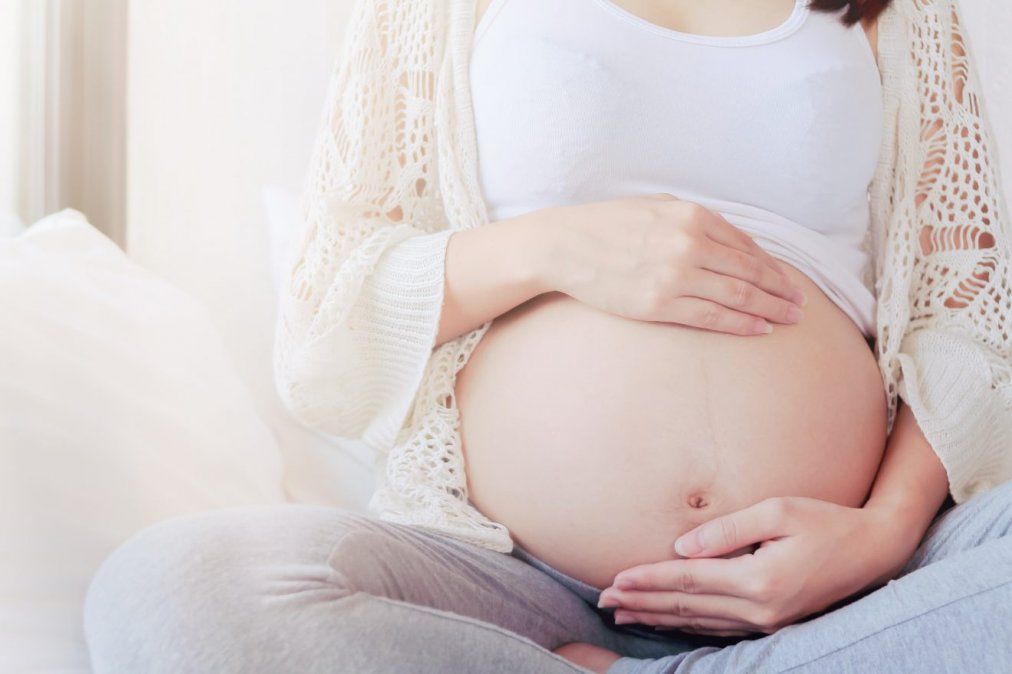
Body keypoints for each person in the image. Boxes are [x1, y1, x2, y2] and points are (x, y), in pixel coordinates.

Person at [83, 0, 1012, 672]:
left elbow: (966, 316)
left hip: (845, 586)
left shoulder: (905, 10)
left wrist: (882, 535)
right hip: (513, 590)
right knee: (174, 589)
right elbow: (326, 326)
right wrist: (552, 247)